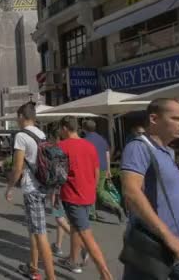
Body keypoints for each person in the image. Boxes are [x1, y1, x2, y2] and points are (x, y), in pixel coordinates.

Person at [121, 99, 179, 279]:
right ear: (154, 119)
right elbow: (131, 191)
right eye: (177, 118)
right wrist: (169, 238)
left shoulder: (168, 151)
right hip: (154, 246)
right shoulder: (139, 147)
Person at [4, 102, 56, 280]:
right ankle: (33, 267)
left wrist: (9, 187)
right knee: (34, 230)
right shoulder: (41, 133)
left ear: (21, 117)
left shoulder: (21, 135)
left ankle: (51, 277)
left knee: (40, 234)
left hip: (32, 189)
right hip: (42, 186)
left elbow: (17, 168)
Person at [57, 116, 113, 278]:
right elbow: (96, 171)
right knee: (76, 228)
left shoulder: (61, 146)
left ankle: (105, 273)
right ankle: (73, 260)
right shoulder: (89, 146)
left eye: (61, 129)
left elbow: (58, 175)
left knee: (85, 235)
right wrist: (92, 189)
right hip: (88, 194)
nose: (60, 132)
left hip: (73, 196)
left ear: (65, 128)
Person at [82, 120, 125, 223]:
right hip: (103, 167)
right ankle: (92, 213)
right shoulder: (102, 139)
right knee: (96, 189)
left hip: (91, 168)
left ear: (84, 129)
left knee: (97, 190)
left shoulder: (85, 140)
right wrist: (108, 169)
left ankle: (115, 207)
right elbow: (107, 153)